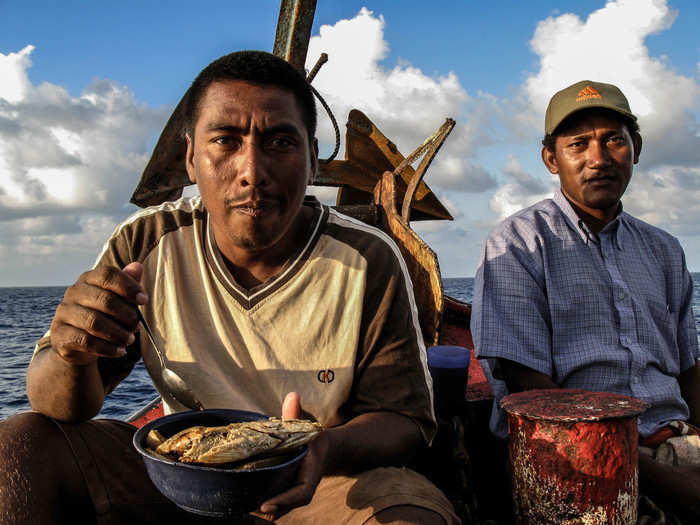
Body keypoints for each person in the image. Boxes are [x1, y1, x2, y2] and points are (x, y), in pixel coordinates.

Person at [0, 51, 459, 525]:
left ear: (312, 157)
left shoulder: (367, 258)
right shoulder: (146, 244)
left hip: (316, 482)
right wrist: (71, 353)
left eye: (280, 141)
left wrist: (323, 446)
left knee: (412, 514)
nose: (252, 171)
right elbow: (59, 406)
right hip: (182, 472)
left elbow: (405, 422)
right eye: (225, 140)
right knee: (20, 444)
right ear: (191, 157)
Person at [471, 79, 700, 520]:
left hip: (674, 441)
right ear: (551, 159)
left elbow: (689, 370)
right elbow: (533, 397)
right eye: (578, 144)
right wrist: (664, 481)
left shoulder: (664, 249)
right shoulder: (518, 244)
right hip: (572, 463)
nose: (599, 158)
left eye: (614, 139)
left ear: (636, 148)